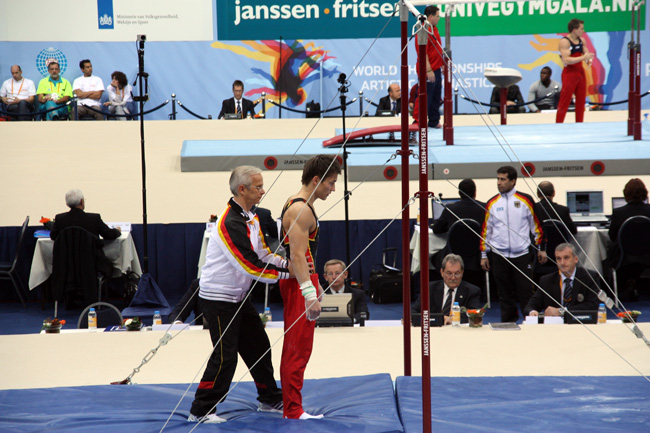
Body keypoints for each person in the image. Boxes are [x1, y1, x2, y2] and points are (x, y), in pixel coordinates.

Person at [189, 166, 288, 424]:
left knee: (258, 345)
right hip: (219, 298)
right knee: (225, 356)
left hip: (238, 296)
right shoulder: (229, 222)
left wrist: (290, 264)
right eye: (258, 187)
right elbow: (251, 266)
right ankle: (200, 410)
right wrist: (290, 276)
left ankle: (269, 399)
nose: (263, 191)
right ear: (241, 189)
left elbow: (264, 254)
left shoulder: (250, 217)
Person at [279, 154, 341, 420]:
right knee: (298, 348)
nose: (333, 189)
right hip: (300, 283)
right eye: (330, 183)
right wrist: (309, 294)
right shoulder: (300, 210)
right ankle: (292, 409)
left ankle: (290, 404)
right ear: (316, 180)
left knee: (297, 347)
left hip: (300, 281)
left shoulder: (298, 205)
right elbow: (297, 256)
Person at [480, 166, 546, 322]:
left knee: (526, 293)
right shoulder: (492, 203)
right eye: (498, 179)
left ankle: (530, 322)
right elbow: (485, 232)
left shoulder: (525, 200)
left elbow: (537, 227)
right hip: (499, 255)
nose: (499, 183)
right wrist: (483, 254)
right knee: (504, 295)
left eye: (503, 179)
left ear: (513, 181)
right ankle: (507, 324)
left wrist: (541, 249)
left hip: (522, 254)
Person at [50, 189, 121, 278]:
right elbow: (109, 234)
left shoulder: (60, 219)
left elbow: (53, 236)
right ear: (81, 201)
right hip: (91, 265)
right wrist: (117, 231)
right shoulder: (94, 219)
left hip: (66, 265)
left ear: (67, 204)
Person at [524, 243, 599, 317]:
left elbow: (593, 305)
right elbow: (530, 307)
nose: (562, 263)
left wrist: (562, 311)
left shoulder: (590, 277)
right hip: (556, 326)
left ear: (575, 259)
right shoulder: (546, 280)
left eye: (566, 258)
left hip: (581, 324)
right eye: (558, 259)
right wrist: (532, 312)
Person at [608, 178, 650, 301]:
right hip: (647, 256)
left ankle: (621, 289)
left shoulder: (618, 212)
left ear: (626, 194)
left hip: (624, 257)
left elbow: (611, 236)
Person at [412, 254, 481, 325]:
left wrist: (453, 319)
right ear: (442, 272)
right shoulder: (430, 288)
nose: (453, 278)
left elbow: (475, 315)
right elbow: (414, 311)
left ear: (462, 273)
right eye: (449, 273)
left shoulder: (472, 291)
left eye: (457, 273)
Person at [556, 18, 595, 123]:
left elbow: (586, 53)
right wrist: (583, 58)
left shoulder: (582, 40)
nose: (583, 31)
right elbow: (566, 60)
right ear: (574, 30)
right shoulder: (565, 42)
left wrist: (589, 60)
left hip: (580, 73)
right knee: (565, 101)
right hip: (569, 74)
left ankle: (580, 124)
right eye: (581, 29)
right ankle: (558, 125)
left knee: (581, 101)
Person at [412, 5, 444, 129]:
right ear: (430, 16)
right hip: (427, 69)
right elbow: (422, 52)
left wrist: (441, 65)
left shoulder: (434, 28)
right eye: (437, 16)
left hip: (436, 68)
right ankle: (417, 121)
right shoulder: (423, 29)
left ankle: (434, 120)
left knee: (436, 96)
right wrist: (428, 70)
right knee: (424, 96)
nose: (439, 18)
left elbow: (436, 49)